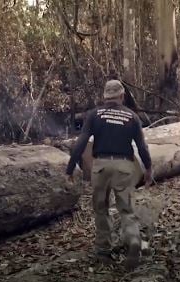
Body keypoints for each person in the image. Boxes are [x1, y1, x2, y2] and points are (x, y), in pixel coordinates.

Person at [65, 80, 152, 269]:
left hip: (100, 166)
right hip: (124, 166)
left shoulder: (94, 115)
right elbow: (142, 147)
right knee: (126, 209)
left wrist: (70, 168)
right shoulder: (132, 117)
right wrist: (148, 169)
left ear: (104, 97)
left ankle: (104, 250)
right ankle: (133, 241)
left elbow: (81, 143)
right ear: (122, 96)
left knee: (101, 208)